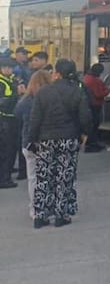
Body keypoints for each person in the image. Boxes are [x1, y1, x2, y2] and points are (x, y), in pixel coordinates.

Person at [28, 59, 93, 228]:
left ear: (56, 73)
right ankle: (60, 215)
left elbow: (35, 119)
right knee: (64, 176)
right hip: (68, 138)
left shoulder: (43, 92)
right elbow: (85, 116)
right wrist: (85, 134)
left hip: (45, 139)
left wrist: (32, 139)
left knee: (44, 177)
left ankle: (40, 216)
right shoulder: (77, 92)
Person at [14, 70, 53, 219]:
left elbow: (17, 114)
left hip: (29, 143)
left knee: (33, 178)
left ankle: (35, 208)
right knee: (48, 176)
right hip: (47, 141)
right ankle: (48, 207)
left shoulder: (26, 100)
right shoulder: (52, 99)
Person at [0, 57, 20, 189]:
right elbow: (3, 102)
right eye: (5, 67)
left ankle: (7, 172)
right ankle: (4, 179)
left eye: (10, 67)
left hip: (12, 118)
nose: (8, 69)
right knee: (6, 150)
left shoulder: (12, 80)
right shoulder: (2, 83)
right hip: (4, 119)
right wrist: (16, 95)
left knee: (10, 149)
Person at [82, 63, 110, 152]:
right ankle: (93, 143)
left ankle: (90, 142)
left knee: (91, 124)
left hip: (88, 104)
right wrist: (108, 90)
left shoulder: (86, 77)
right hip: (95, 104)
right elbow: (98, 94)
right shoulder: (95, 80)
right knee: (95, 124)